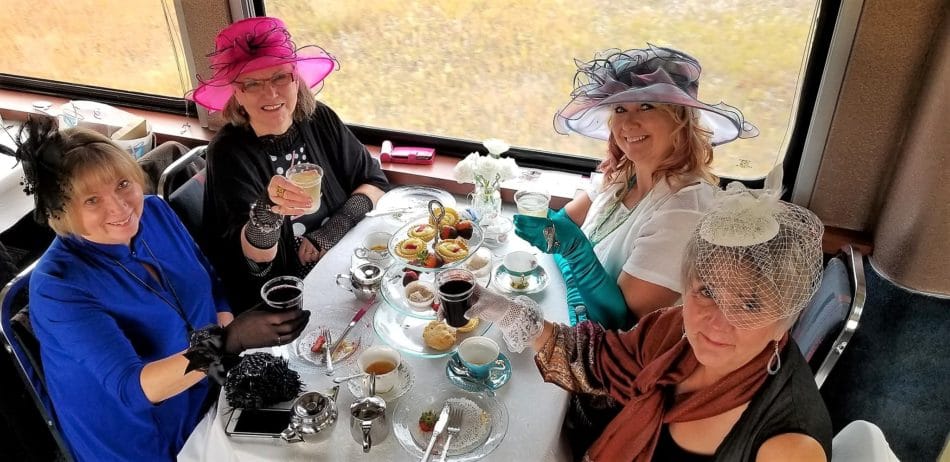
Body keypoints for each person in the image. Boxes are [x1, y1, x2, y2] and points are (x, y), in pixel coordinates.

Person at [0, 116, 310, 461]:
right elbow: (134, 390)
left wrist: (228, 341)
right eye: (91, 201)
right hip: (149, 438)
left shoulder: (156, 213)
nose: (120, 208)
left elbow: (210, 283)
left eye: (122, 184)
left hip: (212, 387)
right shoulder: (58, 289)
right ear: (60, 209)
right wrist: (228, 341)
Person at [470, 171, 832, 461]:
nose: (717, 322)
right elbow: (599, 359)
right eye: (707, 291)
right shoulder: (675, 330)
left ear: (784, 317)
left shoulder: (788, 448)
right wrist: (505, 312)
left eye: (750, 305)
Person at [514, 45, 758, 329]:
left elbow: (622, 318)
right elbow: (563, 221)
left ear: (680, 119)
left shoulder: (685, 210)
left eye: (646, 106)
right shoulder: (625, 173)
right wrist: (565, 252)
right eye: (619, 108)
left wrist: (573, 250)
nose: (628, 123)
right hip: (566, 312)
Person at [190, 16, 390, 313]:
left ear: (296, 79)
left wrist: (330, 232)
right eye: (253, 83)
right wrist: (266, 213)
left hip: (342, 258)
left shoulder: (319, 119)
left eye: (279, 77)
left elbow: (375, 182)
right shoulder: (227, 153)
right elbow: (254, 262)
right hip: (284, 293)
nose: (270, 93)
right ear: (237, 93)